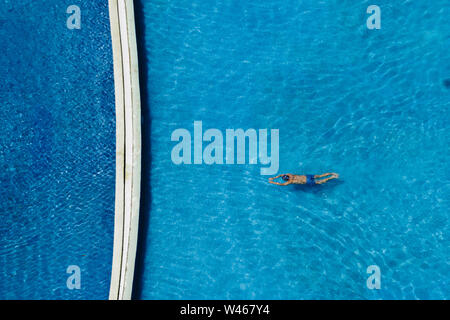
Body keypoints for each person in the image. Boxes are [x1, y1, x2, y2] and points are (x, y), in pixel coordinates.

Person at [268, 173, 339, 186]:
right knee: (320, 176)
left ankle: (332, 177)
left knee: (320, 182)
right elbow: (281, 175)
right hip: (307, 176)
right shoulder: (290, 174)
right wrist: (274, 177)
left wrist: (272, 182)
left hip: (307, 181)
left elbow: (281, 184)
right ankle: (331, 173)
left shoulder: (290, 181)